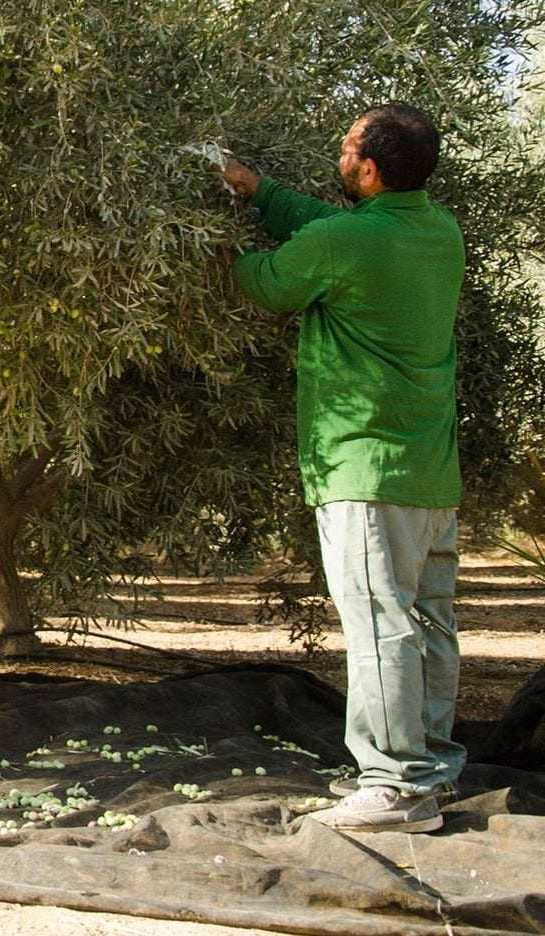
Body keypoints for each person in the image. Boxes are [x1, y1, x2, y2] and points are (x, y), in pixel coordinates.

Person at [215, 103, 464, 834]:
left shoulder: (344, 242)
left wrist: (216, 246)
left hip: (364, 467)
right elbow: (325, 229)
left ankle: (395, 788)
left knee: (381, 623)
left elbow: (267, 282)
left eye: (349, 144)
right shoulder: (437, 231)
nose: (340, 148)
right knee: (428, 620)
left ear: (370, 168)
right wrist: (257, 190)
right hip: (429, 470)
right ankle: (434, 768)